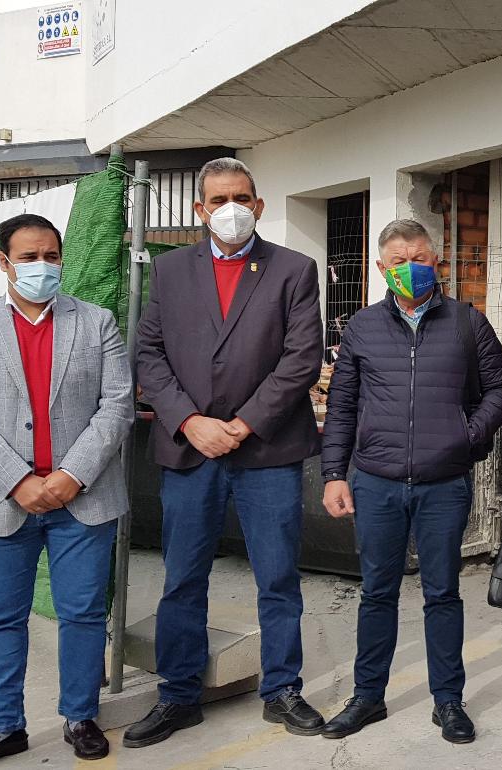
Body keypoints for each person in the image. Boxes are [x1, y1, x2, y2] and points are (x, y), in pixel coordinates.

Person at [129, 158, 326, 747]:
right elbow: (149, 356)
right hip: (190, 450)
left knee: (278, 576)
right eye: (218, 199)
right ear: (199, 210)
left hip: (265, 450)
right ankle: (178, 694)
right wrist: (190, 421)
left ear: (259, 205)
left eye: (242, 197)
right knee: (183, 576)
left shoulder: (293, 269)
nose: (231, 208)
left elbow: (300, 359)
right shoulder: (167, 271)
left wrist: (239, 426)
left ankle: (283, 689)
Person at [0, 214, 133, 769]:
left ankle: (79, 715)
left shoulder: (96, 323)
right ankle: (3, 729)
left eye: (51, 256)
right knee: (0, 619)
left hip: (82, 497)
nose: (41, 266)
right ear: (4, 263)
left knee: (83, 615)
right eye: (28, 257)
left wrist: (71, 475)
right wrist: (19, 481)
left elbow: (117, 405)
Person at [319, 219, 502, 744]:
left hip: (443, 485)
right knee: (377, 593)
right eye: (400, 260)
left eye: (422, 257)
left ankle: (448, 701)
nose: (413, 268)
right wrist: (334, 473)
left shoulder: (467, 323)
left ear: (438, 262)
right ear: (383, 268)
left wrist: (465, 435)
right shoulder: (360, 327)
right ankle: (367, 697)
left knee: (442, 594)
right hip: (376, 482)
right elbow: (340, 406)